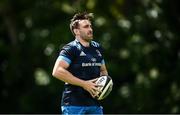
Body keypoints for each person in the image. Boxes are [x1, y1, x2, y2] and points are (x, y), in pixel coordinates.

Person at [52, 12, 109, 115]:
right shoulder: (71, 48)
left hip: (94, 104)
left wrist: (105, 84)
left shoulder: (97, 48)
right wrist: (84, 84)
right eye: (86, 27)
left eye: (90, 26)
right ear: (77, 31)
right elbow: (57, 71)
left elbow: (103, 70)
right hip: (74, 104)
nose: (90, 29)